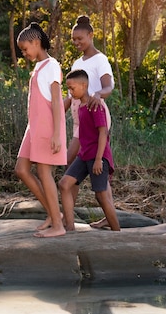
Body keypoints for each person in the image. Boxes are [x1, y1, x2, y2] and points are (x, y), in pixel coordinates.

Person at [60, 15, 114, 230]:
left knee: (73, 166)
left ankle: (71, 218)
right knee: (72, 168)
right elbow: (71, 93)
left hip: (94, 120)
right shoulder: (77, 63)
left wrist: (97, 95)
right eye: (73, 39)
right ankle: (69, 216)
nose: (76, 43)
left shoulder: (100, 60)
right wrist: (55, 113)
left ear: (91, 35)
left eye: (80, 38)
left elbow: (108, 87)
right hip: (78, 120)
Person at [15, 22, 67, 238]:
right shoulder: (39, 67)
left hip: (46, 126)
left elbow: (56, 101)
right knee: (21, 169)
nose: (24, 53)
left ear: (36, 43)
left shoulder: (52, 65)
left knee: (44, 172)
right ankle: (54, 215)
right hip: (33, 127)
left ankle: (58, 225)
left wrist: (56, 133)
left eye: (26, 48)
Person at [59, 69, 120, 231]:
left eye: (72, 88)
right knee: (64, 184)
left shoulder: (96, 105)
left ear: (84, 85)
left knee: (101, 195)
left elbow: (103, 133)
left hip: (97, 156)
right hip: (84, 156)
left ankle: (118, 233)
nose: (70, 92)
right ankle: (70, 226)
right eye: (68, 89)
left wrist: (99, 159)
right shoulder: (80, 107)